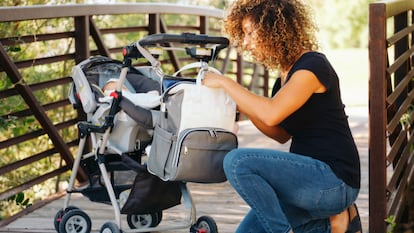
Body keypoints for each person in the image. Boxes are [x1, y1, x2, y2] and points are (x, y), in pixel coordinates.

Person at [202, 0, 362, 232]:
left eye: (249, 33)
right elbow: (280, 134)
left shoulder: (312, 67)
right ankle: (335, 222)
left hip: (332, 180)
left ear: (272, 29)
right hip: (305, 184)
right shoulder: (284, 78)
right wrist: (241, 104)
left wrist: (225, 83)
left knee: (237, 162)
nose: (245, 43)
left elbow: (271, 113)